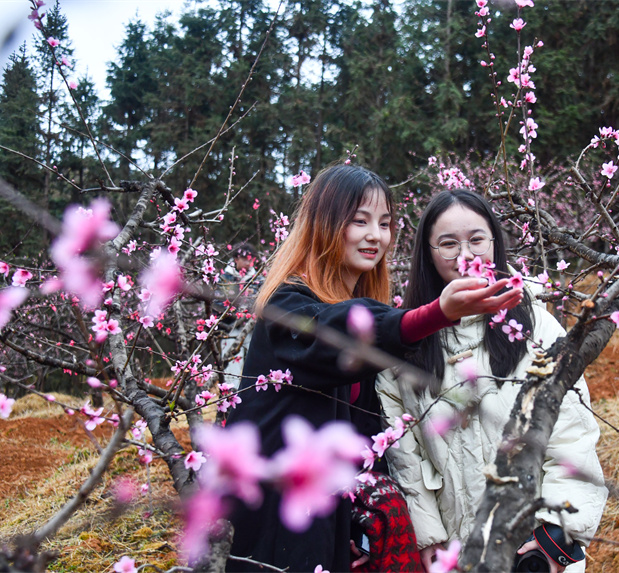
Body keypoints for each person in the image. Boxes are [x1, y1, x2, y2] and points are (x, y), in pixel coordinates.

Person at [224, 165, 523, 572]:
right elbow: (337, 333)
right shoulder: (286, 307)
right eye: (358, 221)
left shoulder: (355, 307)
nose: (375, 236)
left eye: (384, 224)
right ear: (324, 225)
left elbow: (368, 432)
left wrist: (365, 521)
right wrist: (437, 313)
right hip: (280, 522)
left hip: (334, 522)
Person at [376, 189, 608, 573]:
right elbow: (405, 454)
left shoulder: (535, 325)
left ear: (495, 244)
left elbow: (572, 435)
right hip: (456, 547)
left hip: (535, 547)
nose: (465, 256)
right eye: (448, 244)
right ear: (428, 254)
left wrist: (557, 539)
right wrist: (429, 535)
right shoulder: (405, 343)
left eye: (477, 240)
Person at [219, 242, 259, 388]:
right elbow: (216, 303)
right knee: (231, 364)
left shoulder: (258, 279)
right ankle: (230, 395)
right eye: (245, 259)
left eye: (251, 259)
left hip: (252, 328)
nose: (248, 262)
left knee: (255, 362)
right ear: (236, 259)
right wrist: (235, 312)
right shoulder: (225, 279)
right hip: (230, 328)